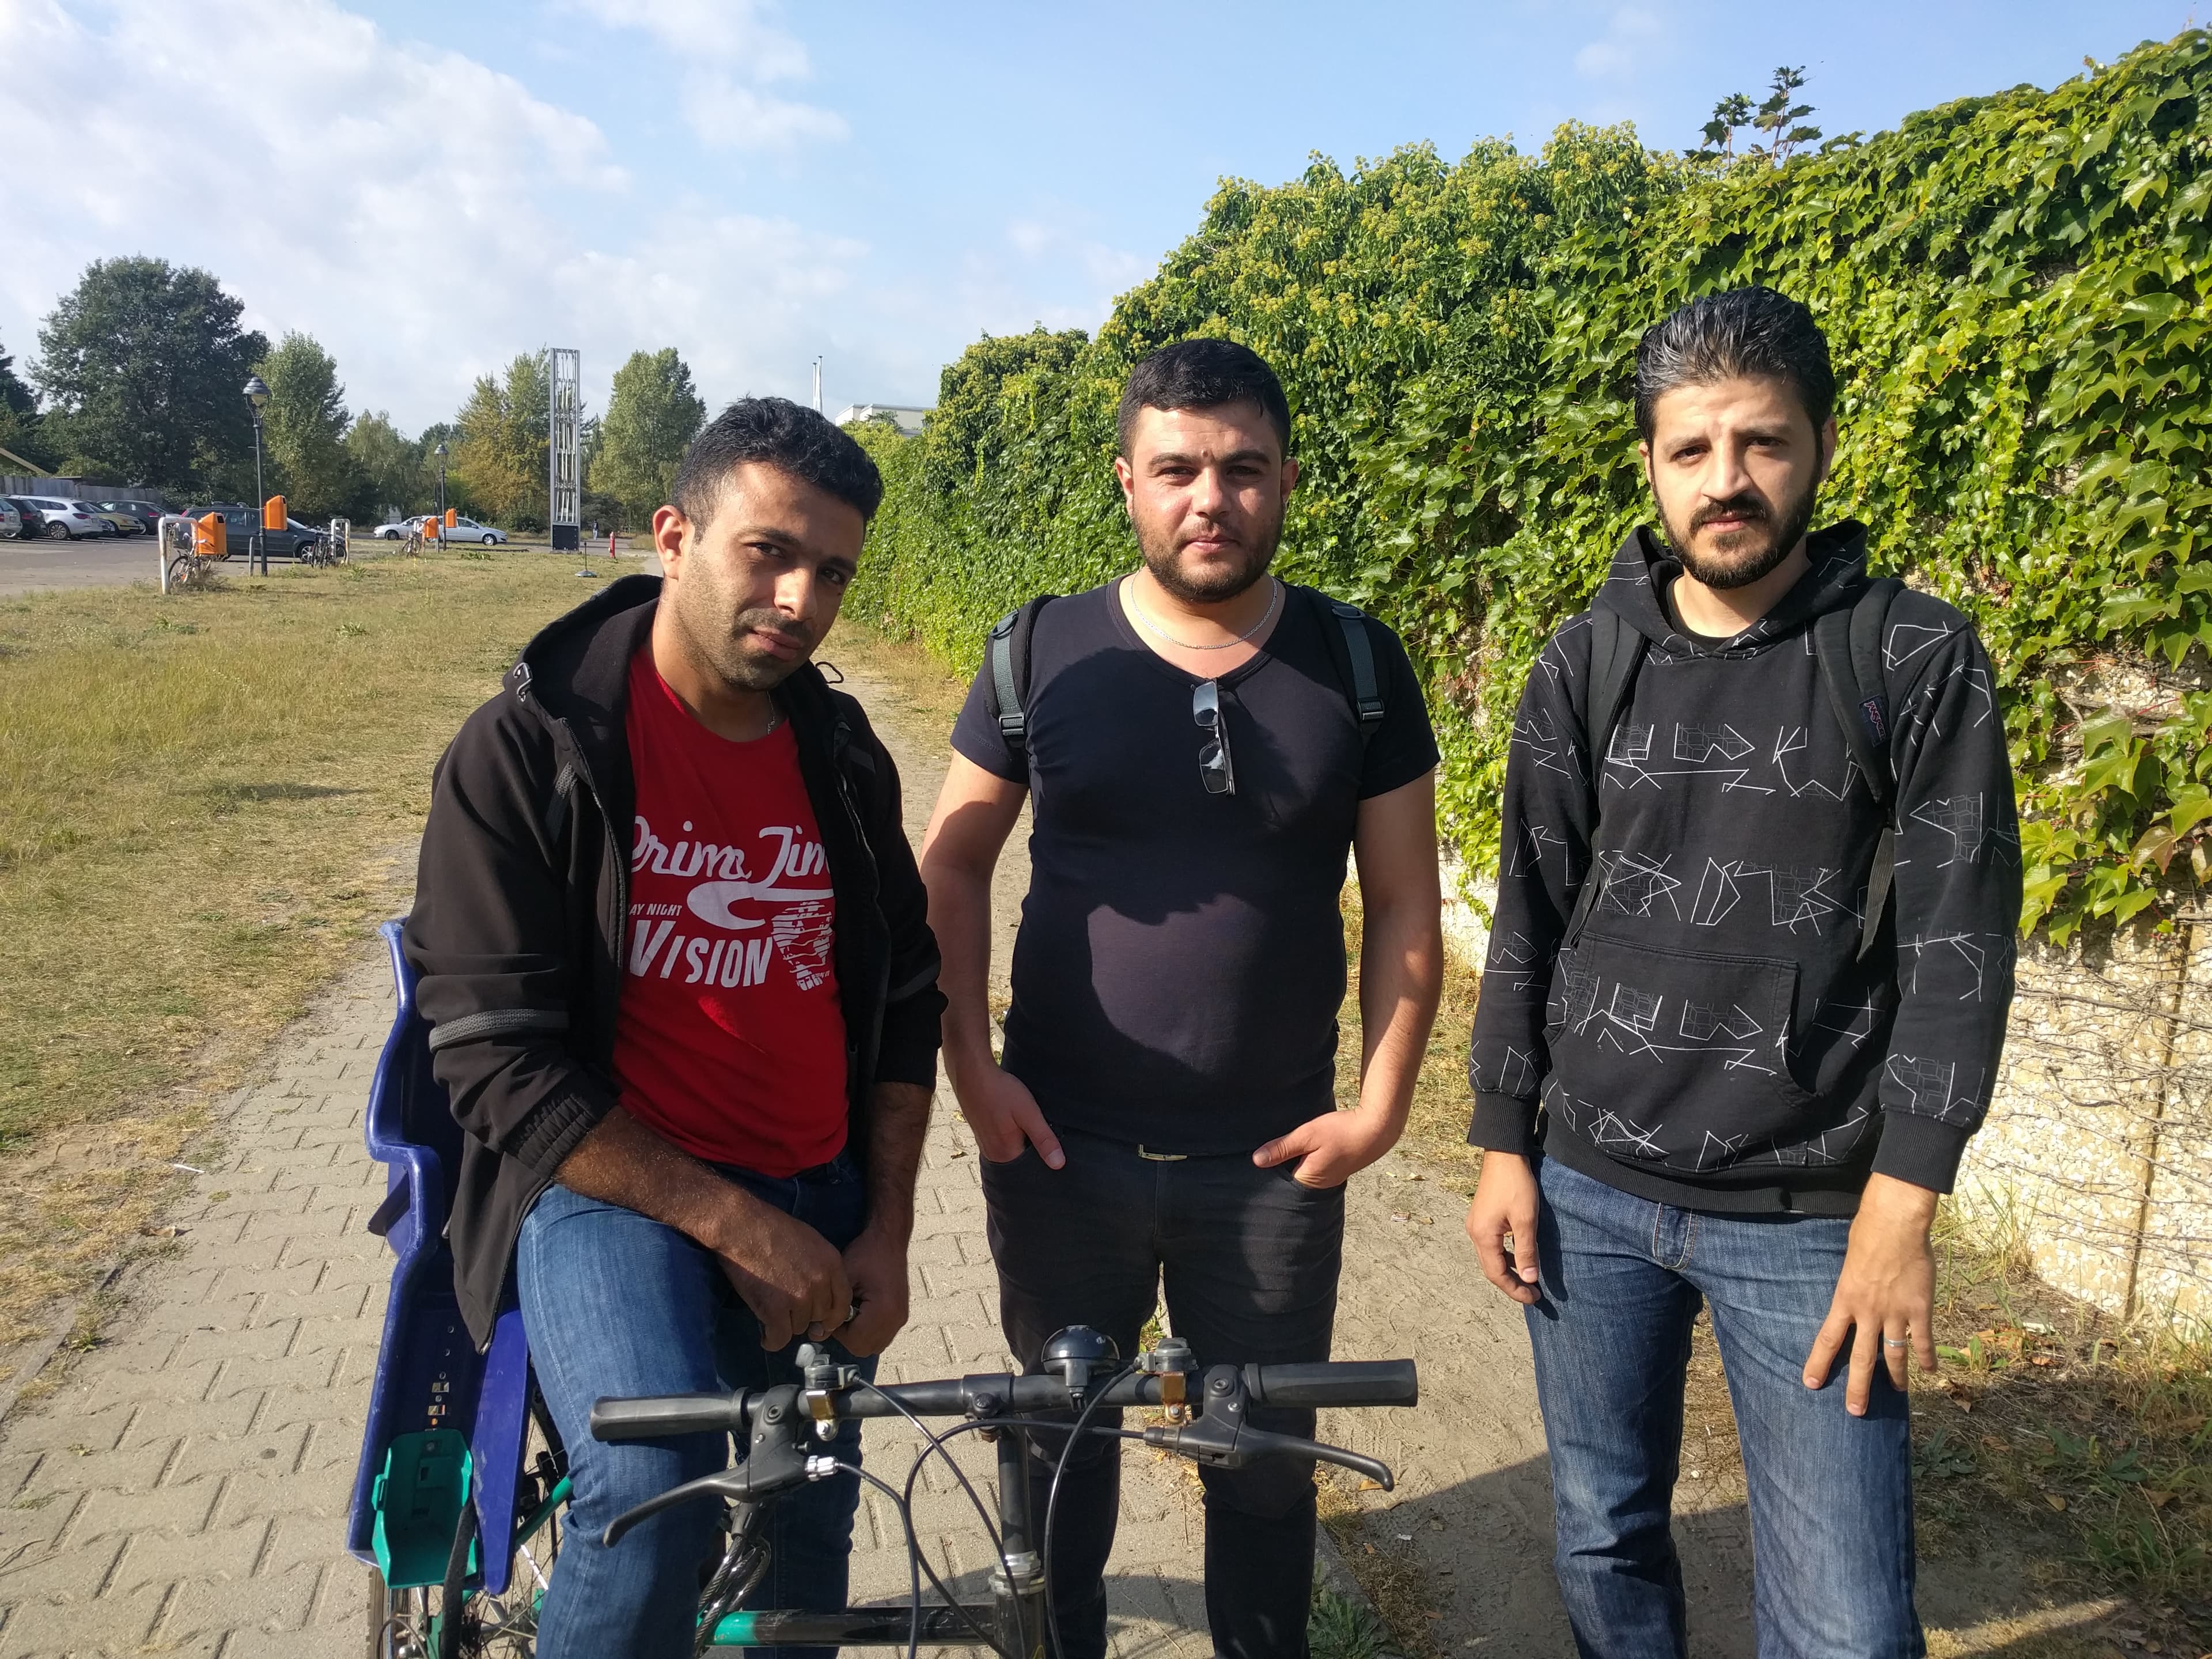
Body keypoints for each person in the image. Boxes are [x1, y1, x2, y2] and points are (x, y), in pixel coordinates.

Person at [1461, 287, 2021, 1657]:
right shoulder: (1586, 664)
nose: (1728, 482)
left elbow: (1964, 943)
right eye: (1692, 450)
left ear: (1820, 447)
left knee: (1846, 1624)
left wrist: (1903, 1210)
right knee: (1602, 1531)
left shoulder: (1911, 655)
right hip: (1589, 1191)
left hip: (1813, 1217)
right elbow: (1528, 913)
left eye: (1762, 444)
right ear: (1650, 466)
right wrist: (1499, 1144)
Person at [921, 337, 1445, 1659]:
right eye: (1177, 470)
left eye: (1241, 469)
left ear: (1285, 481)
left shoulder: (1358, 664)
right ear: (1128, 482)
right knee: (1060, 1468)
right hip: (1059, 1149)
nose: (1209, 498)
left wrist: (1378, 1112)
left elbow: (1401, 906)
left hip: (1269, 1167)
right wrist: (971, 1073)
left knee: (1263, 1476)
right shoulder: (1042, 650)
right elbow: (954, 865)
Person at [404, 397, 944, 1659]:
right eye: (770, 552)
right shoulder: (526, 752)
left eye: (833, 574)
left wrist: (887, 1226)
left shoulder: (845, 756)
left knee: (810, 1524)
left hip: (822, 1184)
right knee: (654, 1500)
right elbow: (496, 1061)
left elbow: (908, 994)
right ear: (672, 535)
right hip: (613, 1191)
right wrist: (732, 1220)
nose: (802, 598)